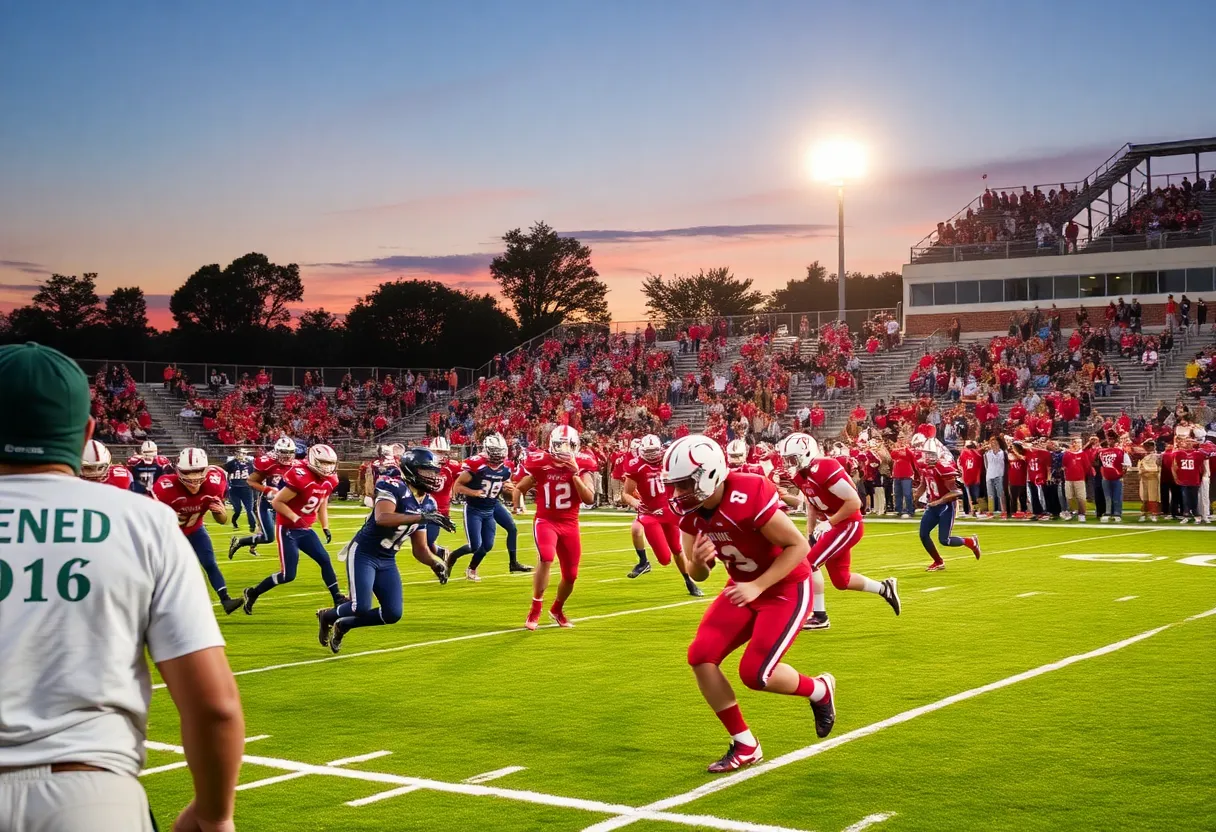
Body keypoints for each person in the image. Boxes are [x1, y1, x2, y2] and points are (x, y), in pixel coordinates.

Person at [0, 342, 243, 832]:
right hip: (87, 795)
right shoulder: (143, 520)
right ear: (87, 432)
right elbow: (214, 707)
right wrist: (213, 815)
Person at [663, 434, 837, 773]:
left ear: (710, 474)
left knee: (755, 674)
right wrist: (698, 561)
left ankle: (819, 689)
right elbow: (697, 574)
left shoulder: (747, 492)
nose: (677, 494)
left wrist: (758, 585)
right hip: (743, 587)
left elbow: (798, 547)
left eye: (684, 484)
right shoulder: (690, 513)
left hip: (785, 586)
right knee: (700, 656)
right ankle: (745, 743)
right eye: (675, 485)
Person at [319, 449, 454, 653]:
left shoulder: (428, 502)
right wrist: (420, 518)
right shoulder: (393, 486)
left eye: (434, 472)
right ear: (412, 470)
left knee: (392, 613)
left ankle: (344, 625)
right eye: (427, 471)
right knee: (360, 606)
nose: (433, 477)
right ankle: (327, 616)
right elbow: (383, 518)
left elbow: (419, 548)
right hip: (364, 553)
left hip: (387, 559)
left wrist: (435, 563)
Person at [776, 433, 902, 612]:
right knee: (842, 580)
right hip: (834, 526)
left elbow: (854, 502)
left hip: (848, 524)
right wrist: (810, 532)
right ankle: (884, 588)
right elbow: (812, 503)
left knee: (807, 564)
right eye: (787, 459)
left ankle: (818, 615)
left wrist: (829, 522)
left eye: (792, 459)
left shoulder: (826, 467)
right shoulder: (801, 475)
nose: (789, 464)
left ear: (806, 453)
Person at [240, 444, 347, 614]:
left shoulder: (331, 479)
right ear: (313, 460)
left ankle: (337, 598)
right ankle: (253, 592)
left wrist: (325, 526)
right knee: (287, 575)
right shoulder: (301, 476)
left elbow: (322, 503)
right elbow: (277, 502)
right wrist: (296, 518)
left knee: (325, 560)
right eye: (323, 462)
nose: (327, 467)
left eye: (330, 463)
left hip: (305, 530)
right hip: (288, 529)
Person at [513, 425, 598, 629]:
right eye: (560, 445)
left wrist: (575, 474)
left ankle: (557, 609)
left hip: (570, 523)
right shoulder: (541, 463)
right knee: (546, 557)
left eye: (568, 446)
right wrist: (517, 505)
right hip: (546, 520)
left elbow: (589, 498)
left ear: (576, 446)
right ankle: (535, 608)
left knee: (571, 575)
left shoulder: (584, 464)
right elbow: (520, 487)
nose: (564, 450)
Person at [153, 449, 244, 615]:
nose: (193, 478)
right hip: (171, 535)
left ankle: (225, 599)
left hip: (195, 530)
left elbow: (223, 520)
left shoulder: (214, 483)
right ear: (178, 470)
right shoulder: (166, 486)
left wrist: (219, 512)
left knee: (209, 563)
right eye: (188, 472)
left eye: (197, 471)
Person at [621, 433, 702, 596]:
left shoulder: (670, 461)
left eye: (654, 451)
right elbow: (626, 493)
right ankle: (644, 562)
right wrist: (636, 503)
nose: (652, 455)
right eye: (648, 452)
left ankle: (689, 581)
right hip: (650, 513)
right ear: (642, 451)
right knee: (664, 559)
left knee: (677, 549)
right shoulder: (636, 466)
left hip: (669, 510)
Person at [445, 433, 529, 581]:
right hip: (474, 508)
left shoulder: (506, 467)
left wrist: (507, 488)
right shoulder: (477, 465)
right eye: (494, 453)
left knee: (490, 544)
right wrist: (473, 492)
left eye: (499, 452)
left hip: (492, 506)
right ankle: (453, 556)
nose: (497, 456)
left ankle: (474, 568)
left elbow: (500, 483)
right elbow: (457, 486)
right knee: (475, 546)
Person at [913, 438, 982, 571]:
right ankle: (938, 562)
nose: (927, 457)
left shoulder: (942, 468)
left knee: (945, 540)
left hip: (946, 507)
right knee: (923, 534)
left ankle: (970, 542)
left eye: (931, 454)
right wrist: (916, 495)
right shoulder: (925, 467)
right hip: (933, 506)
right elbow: (924, 483)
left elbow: (956, 492)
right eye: (926, 453)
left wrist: (939, 501)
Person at [228, 436, 299, 559]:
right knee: (268, 537)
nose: (287, 455)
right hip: (267, 504)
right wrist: (267, 489)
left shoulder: (298, 466)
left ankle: (290, 557)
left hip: (284, 505)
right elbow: (251, 481)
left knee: (292, 530)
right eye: (283, 452)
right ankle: (240, 542)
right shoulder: (268, 463)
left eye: (289, 452)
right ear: (277, 451)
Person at [426, 436, 462, 558]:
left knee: (427, 540)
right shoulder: (423, 465)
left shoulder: (451, 467)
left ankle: (444, 556)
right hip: (420, 508)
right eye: (438, 451)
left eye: (443, 452)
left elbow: (468, 476)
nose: (441, 455)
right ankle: (443, 554)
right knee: (420, 543)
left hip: (439, 511)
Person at [1095, 440, 1130, 522]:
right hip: (1106, 477)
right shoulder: (1101, 452)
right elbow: (1098, 464)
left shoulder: (1121, 451)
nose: (1111, 442)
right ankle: (1108, 512)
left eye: (1113, 439)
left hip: (1117, 477)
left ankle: (1117, 513)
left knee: (1117, 496)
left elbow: (1128, 464)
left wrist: (1122, 472)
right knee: (1107, 496)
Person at [223, 447, 256, 534]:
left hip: (246, 489)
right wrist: (235, 460)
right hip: (234, 489)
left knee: (250, 509)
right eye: (239, 453)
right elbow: (225, 468)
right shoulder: (232, 463)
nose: (241, 455)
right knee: (238, 510)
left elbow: (256, 473)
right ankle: (234, 522)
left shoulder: (250, 463)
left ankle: (252, 526)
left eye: (242, 453)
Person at [1062, 437, 1094, 521]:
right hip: (1068, 479)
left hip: (1079, 479)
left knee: (1081, 497)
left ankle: (1082, 513)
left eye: (1077, 443)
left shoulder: (1083, 454)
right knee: (1069, 496)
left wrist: (1082, 475)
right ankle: (1073, 511)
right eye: (1074, 443)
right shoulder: (1067, 454)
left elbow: (1087, 466)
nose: (1075, 444)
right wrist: (1069, 452)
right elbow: (1064, 463)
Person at [983, 437, 1006, 517]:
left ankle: (1004, 511)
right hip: (989, 475)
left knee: (1001, 494)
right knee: (990, 494)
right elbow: (986, 465)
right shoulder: (987, 453)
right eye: (992, 443)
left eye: (995, 443)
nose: (993, 445)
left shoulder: (1002, 453)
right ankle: (991, 511)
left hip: (999, 475)